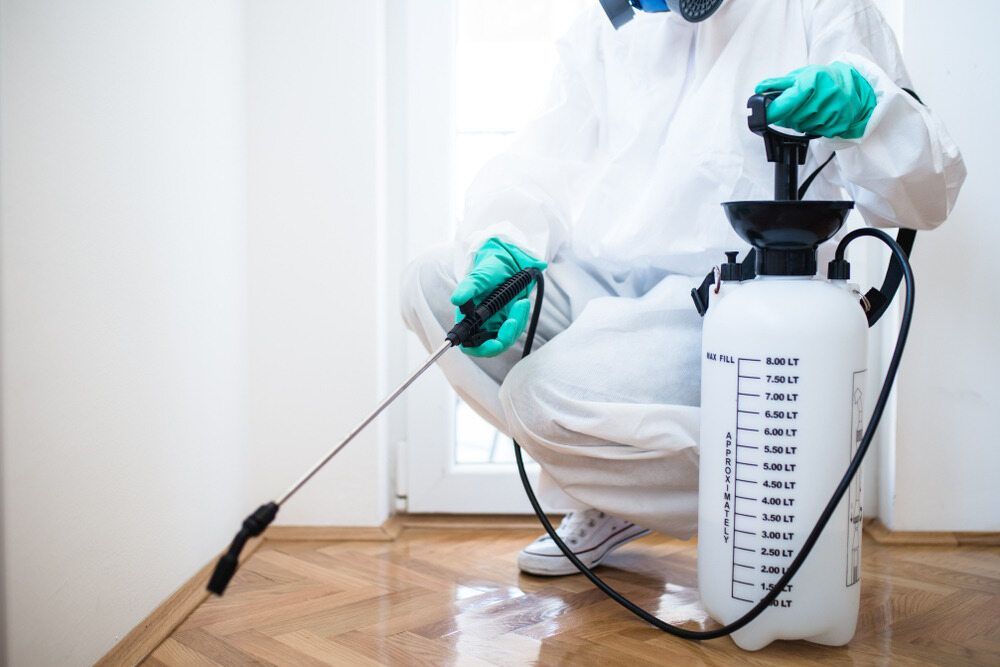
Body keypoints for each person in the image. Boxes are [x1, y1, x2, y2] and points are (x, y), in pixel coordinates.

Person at [400, 0, 965, 576]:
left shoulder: (817, 7)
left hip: (724, 301)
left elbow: (928, 196)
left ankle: (763, 494)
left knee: (538, 400)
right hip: (604, 281)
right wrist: (505, 242)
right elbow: (542, 162)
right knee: (431, 284)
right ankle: (616, 495)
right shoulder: (604, 29)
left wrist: (868, 113)